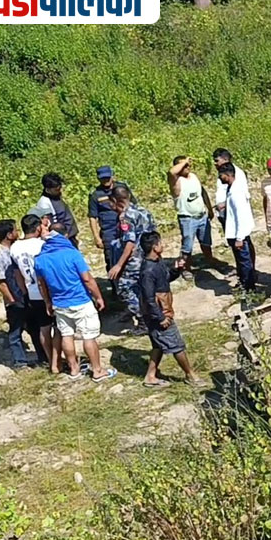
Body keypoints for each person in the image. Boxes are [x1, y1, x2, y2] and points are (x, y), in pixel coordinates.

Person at [34, 228, 113, 381]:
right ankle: (97, 370)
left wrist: (47, 302)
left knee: (66, 335)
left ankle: (74, 369)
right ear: (64, 237)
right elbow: (87, 279)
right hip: (81, 301)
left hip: (59, 304)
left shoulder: (40, 259)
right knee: (88, 336)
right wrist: (99, 297)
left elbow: (41, 285)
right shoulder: (72, 254)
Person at [137, 231, 202, 387]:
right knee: (176, 344)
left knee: (158, 345)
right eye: (160, 242)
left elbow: (165, 279)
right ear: (154, 247)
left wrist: (176, 269)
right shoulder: (147, 272)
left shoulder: (157, 262)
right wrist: (161, 318)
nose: (163, 245)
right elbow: (149, 298)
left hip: (162, 310)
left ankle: (150, 376)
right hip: (159, 314)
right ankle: (191, 375)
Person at [107, 185, 156, 332]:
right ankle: (150, 313)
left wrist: (119, 265)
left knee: (125, 288)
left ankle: (142, 321)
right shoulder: (143, 211)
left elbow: (129, 242)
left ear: (116, 200)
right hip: (148, 257)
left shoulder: (126, 217)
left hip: (134, 260)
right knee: (144, 288)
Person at [10, 213, 53, 367]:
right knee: (59, 328)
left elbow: (17, 275)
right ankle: (62, 359)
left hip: (32, 292)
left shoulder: (15, 247)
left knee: (44, 328)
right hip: (48, 291)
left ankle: (50, 359)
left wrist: (25, 292)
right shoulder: (42, 245)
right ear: (37, 228)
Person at [167, 155, 220, 275]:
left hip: (201, 216)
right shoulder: (176, 181)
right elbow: (171, 172)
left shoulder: (193, 177)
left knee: (206, 241)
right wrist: (185, 161)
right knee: (187, 246)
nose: (188, 166)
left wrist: (209, 209)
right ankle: (186, 268)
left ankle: (210, 260)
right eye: (184, 165)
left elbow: (203, 192)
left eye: (188, 164)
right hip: (187, 219)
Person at [0, 219, 33, 369]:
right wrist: (11, 299)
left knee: (32, 326)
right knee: (15, 331)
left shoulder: (14, 248)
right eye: (15, 230)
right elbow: (0, 282)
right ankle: (19, 362)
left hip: (23, 294)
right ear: (9, 235)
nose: (18, 233)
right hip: (14, 298)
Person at [217, 161, 258, 291]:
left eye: (221, 175)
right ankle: (245, 284)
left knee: (245, 263)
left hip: (238, 234)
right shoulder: (233, 189)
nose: (220, 178)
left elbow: (240, 216)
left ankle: (249, 288)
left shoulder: (235, 193)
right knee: (242, 262)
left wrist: (240, 238)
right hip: (235, 233)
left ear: (228, 175)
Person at [88, 166, 130, 272]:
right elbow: (93, 217)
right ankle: (115, 286)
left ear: (112, 176)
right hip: (109, 230)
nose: (106, 180)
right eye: (103, 178)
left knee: (129, 255)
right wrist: (97, 237)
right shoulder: (95, 195)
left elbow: (132, 203)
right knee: (111, 259)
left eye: (107, 177)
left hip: (126, 226)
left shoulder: (121, 188)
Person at [34, 172, 79, 247]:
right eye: (57, 190)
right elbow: (48, 224)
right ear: (48, 190)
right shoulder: (44, 203)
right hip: (62, 239)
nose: (60, 191)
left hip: (70, 236)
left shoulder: (56, 197)